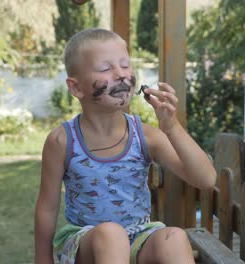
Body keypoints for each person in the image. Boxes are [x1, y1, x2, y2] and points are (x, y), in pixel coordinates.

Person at [34, 28, 217, 264]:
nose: (121, 74)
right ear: (76, 87)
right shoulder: (62, 141)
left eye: (125, 65)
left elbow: (206, 179)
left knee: (174, 237)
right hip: (86, 242)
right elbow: (47, 208)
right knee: (111, 235)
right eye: (105, 68)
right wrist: (43, 259)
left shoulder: (146, 136)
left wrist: (171, 127)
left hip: (140, 236)